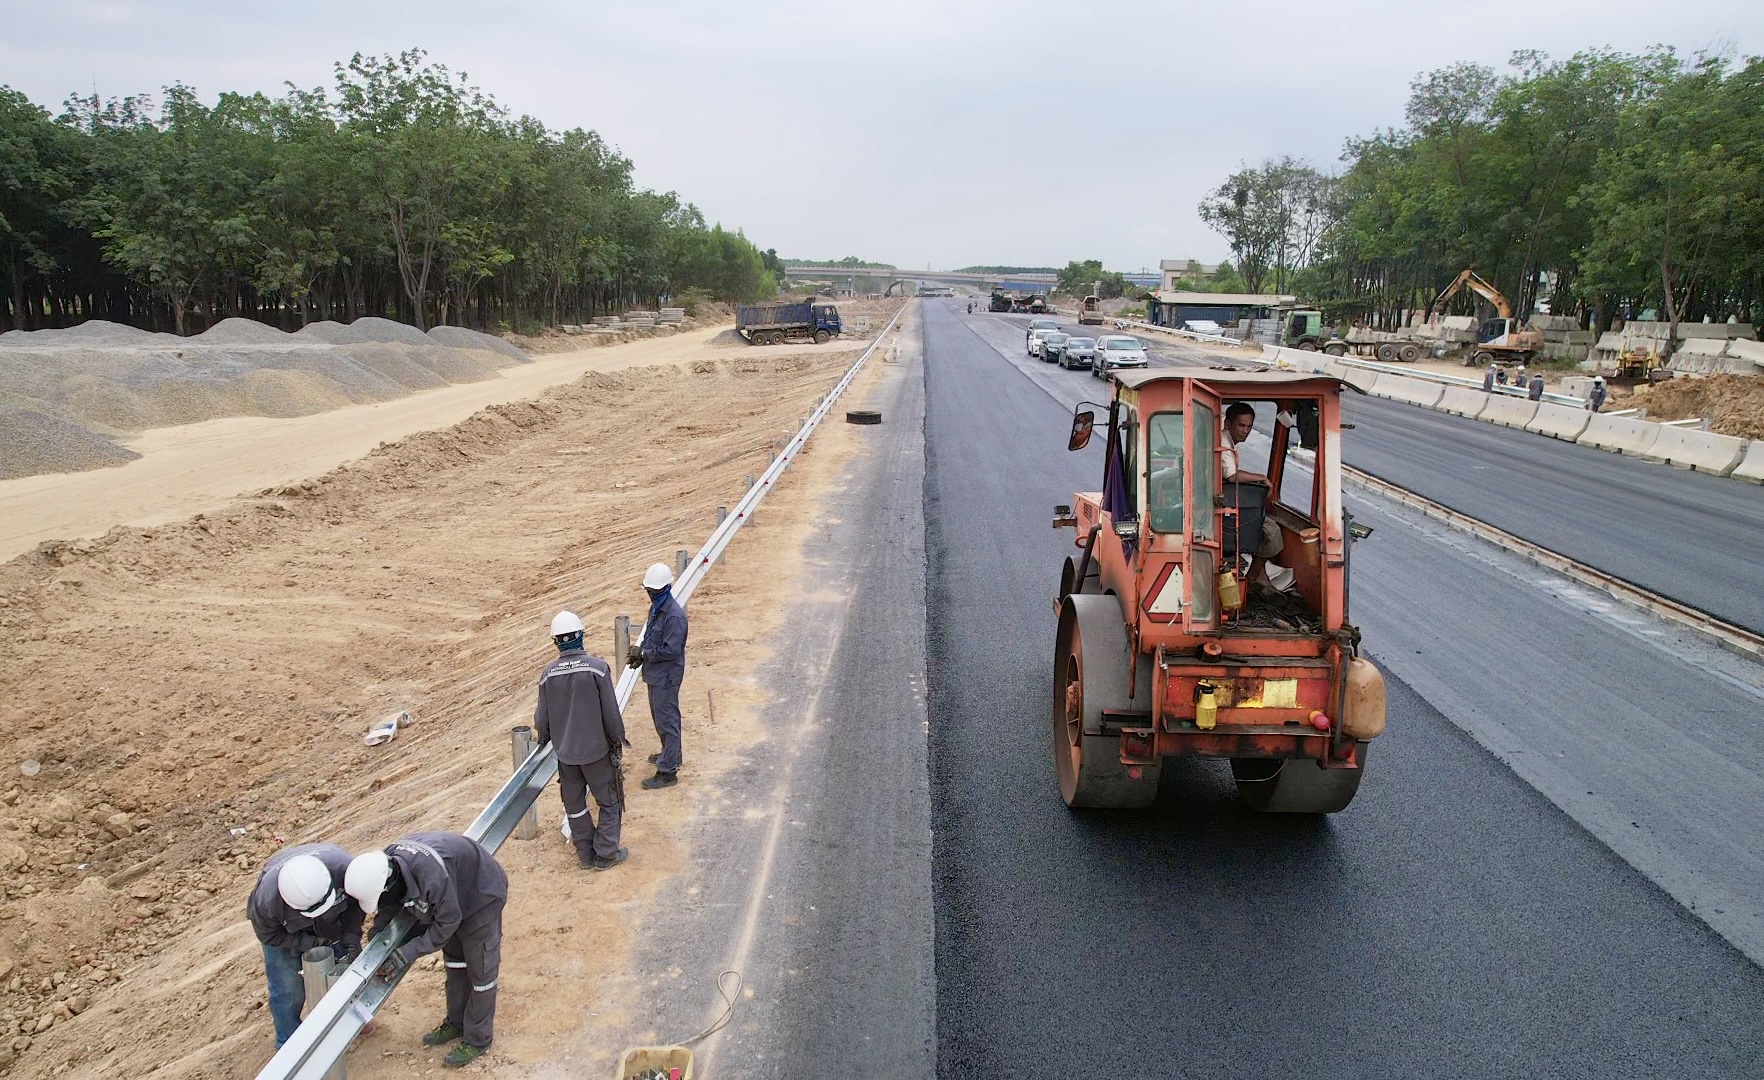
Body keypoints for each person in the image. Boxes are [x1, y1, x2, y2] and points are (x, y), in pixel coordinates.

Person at [345, 833, 508, 1069]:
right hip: (453, 894)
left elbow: (447, 923)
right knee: (455, 964)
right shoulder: (388, 865)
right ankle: (456, 1022)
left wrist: (407, 952)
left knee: (481, 972)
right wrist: (378, 945)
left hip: (481, 896)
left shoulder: (431, 876)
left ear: (387, 884)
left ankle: (478, 1038)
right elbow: (389, 908)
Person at [535, 610, 629, 870]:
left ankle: (586, 855)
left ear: (556, 641)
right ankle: (606, 853)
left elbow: (542, 721)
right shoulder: (597, 669)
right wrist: (617, 741)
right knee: (610, 802)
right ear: (581, 635)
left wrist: (545, 741)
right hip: (597, 752)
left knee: (575, 806)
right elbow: (611, 712)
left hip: (565, 756)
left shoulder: (547, 674)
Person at [248, 844, 365, 1049]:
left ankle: (353, 1019)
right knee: (287, 987)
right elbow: (270, 935)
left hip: (333, 919)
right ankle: (289, 1044)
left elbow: (357, 904)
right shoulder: (268, 902)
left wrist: (351, 934)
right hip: (288, 932)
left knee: (346, 967)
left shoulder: (344, 871)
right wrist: (306, 943)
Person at [1221, 403, 1296, 593]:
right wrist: (1261, 478)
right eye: (1241, 426)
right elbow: (1232, 476)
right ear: (1228, 423)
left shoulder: (1228, 443)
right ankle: (1252, 579)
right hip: (1222, 511)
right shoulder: (1223, 443)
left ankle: (1257, 578)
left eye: (1249, 427)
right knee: (1272, 534)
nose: (1246, 431)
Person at [628, 563, 689, 789]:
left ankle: (667, 771)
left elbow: (671, 650)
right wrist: (641, 652)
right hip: (656, 674)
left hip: (666, 677)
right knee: (661, 718)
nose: (651, 595)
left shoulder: (674, 617)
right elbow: (650, 636)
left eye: (653, 591)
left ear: (665, 588)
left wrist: (645, 654)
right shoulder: (657, 609)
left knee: (667, 720)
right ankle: (671, 753)